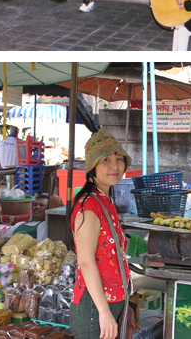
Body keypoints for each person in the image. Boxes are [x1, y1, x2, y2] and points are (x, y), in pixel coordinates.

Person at [69, 129, 131, 339]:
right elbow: (86, 262)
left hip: (109, 305)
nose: (115, 166)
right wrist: (104, 312)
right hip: (94, 310)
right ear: (92, 167)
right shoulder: (89, 206)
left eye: (119, 158)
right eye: (106, 159)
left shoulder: (104, 200)